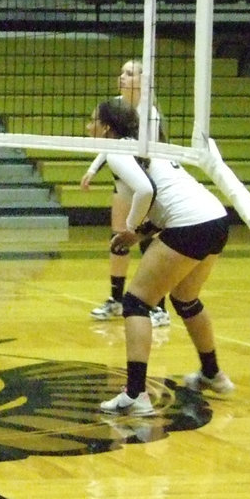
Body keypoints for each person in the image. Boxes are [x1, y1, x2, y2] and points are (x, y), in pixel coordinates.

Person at [86, 97, 235, 417]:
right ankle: (213, 374)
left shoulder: (118, 151)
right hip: (217, 219)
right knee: (185, 298)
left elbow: (146, 191)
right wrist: (139, 235)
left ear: (107, 128)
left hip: (189, 224)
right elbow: (162, 200)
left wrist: (129, 228)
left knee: (136, 302)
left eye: (93, 121)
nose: (88, 127)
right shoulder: (148, 146)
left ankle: (136, 394)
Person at [81, 59, 172, 328]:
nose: (122, 76)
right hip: (123, 179)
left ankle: (158, 307)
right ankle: (116, 299)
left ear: (143, 80)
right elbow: (111, 141)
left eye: (130, 73)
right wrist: (93, 168)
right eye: (122, 72)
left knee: (147, 242)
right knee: (118, 239)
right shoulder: (115, 105)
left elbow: (148, 154)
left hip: (145, 180)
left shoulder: (150, 113)